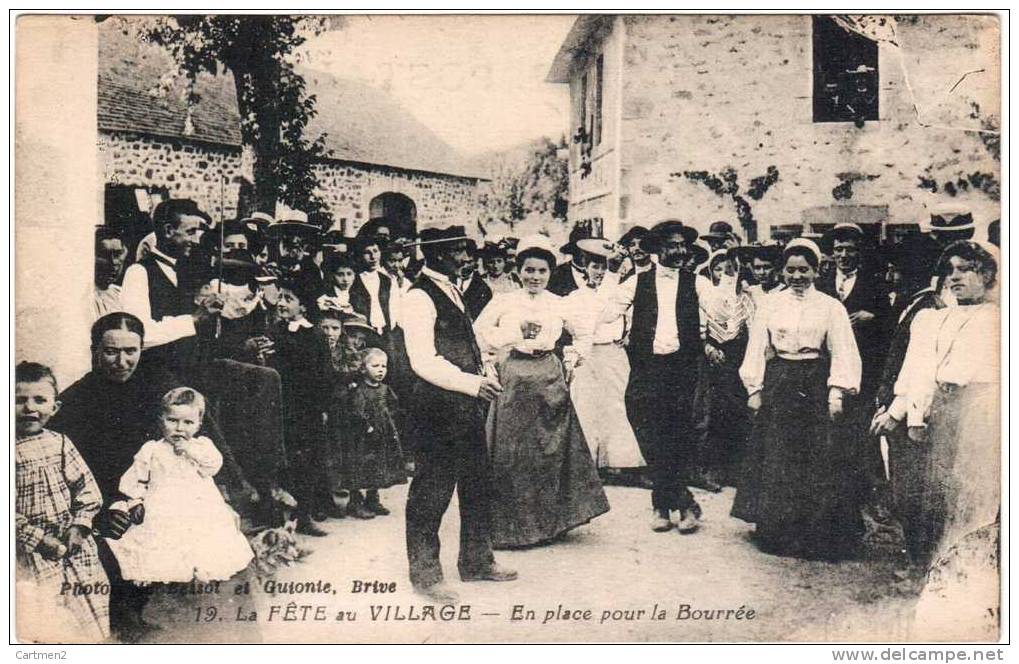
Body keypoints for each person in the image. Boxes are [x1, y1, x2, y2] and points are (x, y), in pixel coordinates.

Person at [401, 225, 517, 604]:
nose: (467, 258)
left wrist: (485, 371)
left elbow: (467, 342)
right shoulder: (418, 296)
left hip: (464, 405)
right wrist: (471, 383)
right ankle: (426, 574)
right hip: (436, 406)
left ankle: (476, 561)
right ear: (435, 255)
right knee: (432, 489)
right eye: (458, 252)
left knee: (477, 482)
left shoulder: (453, 287)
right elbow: (423, 360)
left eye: (467, 251)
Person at [475, 234, 610, 548]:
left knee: (547, 451)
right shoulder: (505, 300)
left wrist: (573, 358)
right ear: (518, 270)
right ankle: (511, 528)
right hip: (513, 378)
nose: (534, 277)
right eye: (529, 270)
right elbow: (479, 332)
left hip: (548, 378)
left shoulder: (559, 303)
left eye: (542, 271)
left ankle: (548, 524)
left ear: (550, 273)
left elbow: (584, 333)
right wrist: (493, 355)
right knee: (511, 453)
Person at [732, 238, 863, 560]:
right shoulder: (770, 305)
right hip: (780, 382)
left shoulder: (831, 307)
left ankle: (816, 534)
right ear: (783, 272)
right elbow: (756, 349)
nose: (797, 276)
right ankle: (778, 532)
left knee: (816, 457)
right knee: (779, 456)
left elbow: (843, 350)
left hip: (815, 382)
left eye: (804, 270)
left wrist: (837, 392)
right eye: (790, 270)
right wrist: (754, 388)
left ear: (816, 271)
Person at [871, 240, 999, 567]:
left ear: (987, 274)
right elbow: (920, 370)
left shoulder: (999, 319)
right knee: (940, 492)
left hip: (985, 413)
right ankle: (939, 565)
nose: (956, 277)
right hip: (944, 412)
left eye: (966, 269)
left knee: (979, 492)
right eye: (950, 271)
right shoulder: (935, 319)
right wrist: (907, 414)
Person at [606, 220, 705, 533]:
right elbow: (607, 311)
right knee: (644, 423)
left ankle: (663, 505)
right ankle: (684, 499)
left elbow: (723, 313)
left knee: (676, 433)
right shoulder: (638, 281)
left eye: (681, 245)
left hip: (681, 367)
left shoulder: (696, 282)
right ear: (657, 249)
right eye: (671, 245)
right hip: (647, 367)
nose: (678, 250)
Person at [105, 387, 253, 583]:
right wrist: (135, 502)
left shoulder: (202, 446)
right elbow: (137, 479)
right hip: (162, 503)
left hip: (197, 503)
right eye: (172, 420)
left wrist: (190, 451)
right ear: (161, 421)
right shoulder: (152, 449)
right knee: (162, 540)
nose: (180, 428)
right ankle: (165, 570)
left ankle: (200, 566)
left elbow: (214, 466)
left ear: (199, 424)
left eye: (188, 422)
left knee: (203, 537)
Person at [15, 362, 110, 642]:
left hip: (73, 544)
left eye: (39, 400)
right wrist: (38, 538)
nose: (30, 408)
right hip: (29, 551)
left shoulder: (61, 443)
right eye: (19, 400)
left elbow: (87, 491)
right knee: (45, 615)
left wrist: (80, 527)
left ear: (55, 407)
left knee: (90, 606)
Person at [869, 234, 944, 561]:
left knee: (911, 487)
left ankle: (919, 555)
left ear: (913, 271)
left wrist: (896, 410)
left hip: (911, 410)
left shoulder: (929, 309)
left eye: (896, 270)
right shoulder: (912, 303)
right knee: (902, 481)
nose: (890, 277)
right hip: (898, 404)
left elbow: (918, 367)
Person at [563, 238, 646, 478]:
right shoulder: (576, 297)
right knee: (586, 405)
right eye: (594, 267)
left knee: (614, 404)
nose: (599, 272)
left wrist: (626, 334)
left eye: (603, 267)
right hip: (588, 356)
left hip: (612, 354)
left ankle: (617, 460)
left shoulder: (618, 292)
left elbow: (627, 316)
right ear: (585, 268)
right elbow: (577, 323)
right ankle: (587, 461)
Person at [120, 198, 223, 376]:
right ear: (168, 230)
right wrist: (194, 319)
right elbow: (138, 335)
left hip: (195, 367)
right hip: (157, 372)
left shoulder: (185, 271)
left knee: (265, 376)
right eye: (190, 232)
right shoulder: (138, 273)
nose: (196, 240)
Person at [268, 278, 333, 536]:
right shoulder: (275, 331)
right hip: (282, 407)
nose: (281, 303)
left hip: (307, 409)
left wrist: (323, 407)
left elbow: (325, 374)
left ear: (303, 307)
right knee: (285, 461)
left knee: (307, 462)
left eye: (288, 298)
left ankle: (303, 515)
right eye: (280, 297)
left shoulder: (313, 334)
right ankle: (280, 516)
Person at [697, 248, 755, 487]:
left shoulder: (746, 298)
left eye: (728, 270)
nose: (723, 274)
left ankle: (737, 468)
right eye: (717, 270)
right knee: (713, 413)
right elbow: (697, 329)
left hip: (738, 359)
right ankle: (713, 468)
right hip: (711, 361)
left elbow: (753, 330)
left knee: (738, 412)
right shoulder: (705, 298)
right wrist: (708, 348)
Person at [330, 348, 407, 519]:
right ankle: (355, 502)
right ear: (363, 369)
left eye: (383, 366)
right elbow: (357, 412)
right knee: (360, 466)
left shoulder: (385, 389)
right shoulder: (359, 390)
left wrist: (391, 424)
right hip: (363, 437)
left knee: (379, 465)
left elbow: (394, 407)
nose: (380, 370)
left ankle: (373, 499)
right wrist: (368, 426)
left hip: (383, 435)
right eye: (375, 366)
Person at [92, 227, 128, 322]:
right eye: (104, 255)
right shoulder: (86, 298)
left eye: (117, 254)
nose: (113, 262)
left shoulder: (121, 295)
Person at [547, 225, 590, 296]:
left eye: (588, 250)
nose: (585, 254)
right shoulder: (556, 274)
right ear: (572, 251)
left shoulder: (602, 274)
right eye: (580, 250)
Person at [458, 241, 493, 320]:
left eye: (469, 262)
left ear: (475, 262)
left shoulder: (484, 289)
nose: (464, 266)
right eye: (462, 262)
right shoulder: (448, 281)